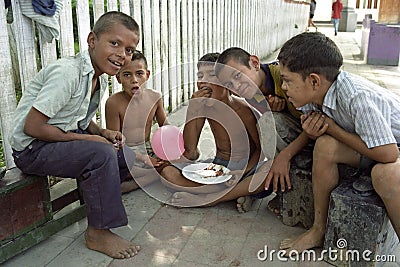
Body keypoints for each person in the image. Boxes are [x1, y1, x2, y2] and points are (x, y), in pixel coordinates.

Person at [9, 11, 143, 259]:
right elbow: (33, 127)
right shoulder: (68, 73)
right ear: (92, 40)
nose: (122, 55)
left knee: (123, 154)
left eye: (129, 50)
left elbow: (78, 116)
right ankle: (98, 232)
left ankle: (100, 193)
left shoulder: (98, 78)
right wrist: (87, 139)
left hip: (55, 139)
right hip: (32, 149)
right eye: (114, 43)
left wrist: (102, 131)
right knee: (101, 153)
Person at [276, 31, 400, 253]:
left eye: (287, 80)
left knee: (384, 175)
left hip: (392, 147)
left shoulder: (355, 96)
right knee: (324, 146)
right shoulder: (316, 94)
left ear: (314, 80)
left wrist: (332, 129)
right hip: (372, 145)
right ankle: (318, 230)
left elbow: (389, 154)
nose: (283, 87)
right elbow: (322, 130)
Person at [162, 52, 267, 212]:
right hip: (218, 167)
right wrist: (193, 109)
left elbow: (261, 150)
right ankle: (237, 193)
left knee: (264, 178)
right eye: (200, 76)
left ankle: (207, 197)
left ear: (226, 83)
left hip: (244, 168)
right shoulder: (204, 107)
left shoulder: (243, 110)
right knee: (168, 173)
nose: (203, 81)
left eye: (211, 75)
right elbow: (189, 150)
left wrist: (241, 173)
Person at [215, 47, 313, 215]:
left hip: (315, 136)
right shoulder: (253, 94)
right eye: (229, 84)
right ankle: (254, 188)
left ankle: (261, 191)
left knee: (270, 122)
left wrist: (285, 156)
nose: (237, 86)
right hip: (291, 136)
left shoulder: (285, 76)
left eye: (238, 75)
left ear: (254, 63)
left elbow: (315, 124)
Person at [106, 50, 167, 192]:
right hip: (126, 152)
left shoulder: (155, 97)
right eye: (127, 75)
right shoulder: (114, 103)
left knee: (180, 158)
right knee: (114, 164)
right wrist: (140, 157)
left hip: (148, 148)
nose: (134, 80)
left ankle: (141, 179)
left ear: (147, 75)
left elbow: (166, 127)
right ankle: (154, 175)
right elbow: (114, 142)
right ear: (118, 78)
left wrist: (170, 150)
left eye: (139, 73)